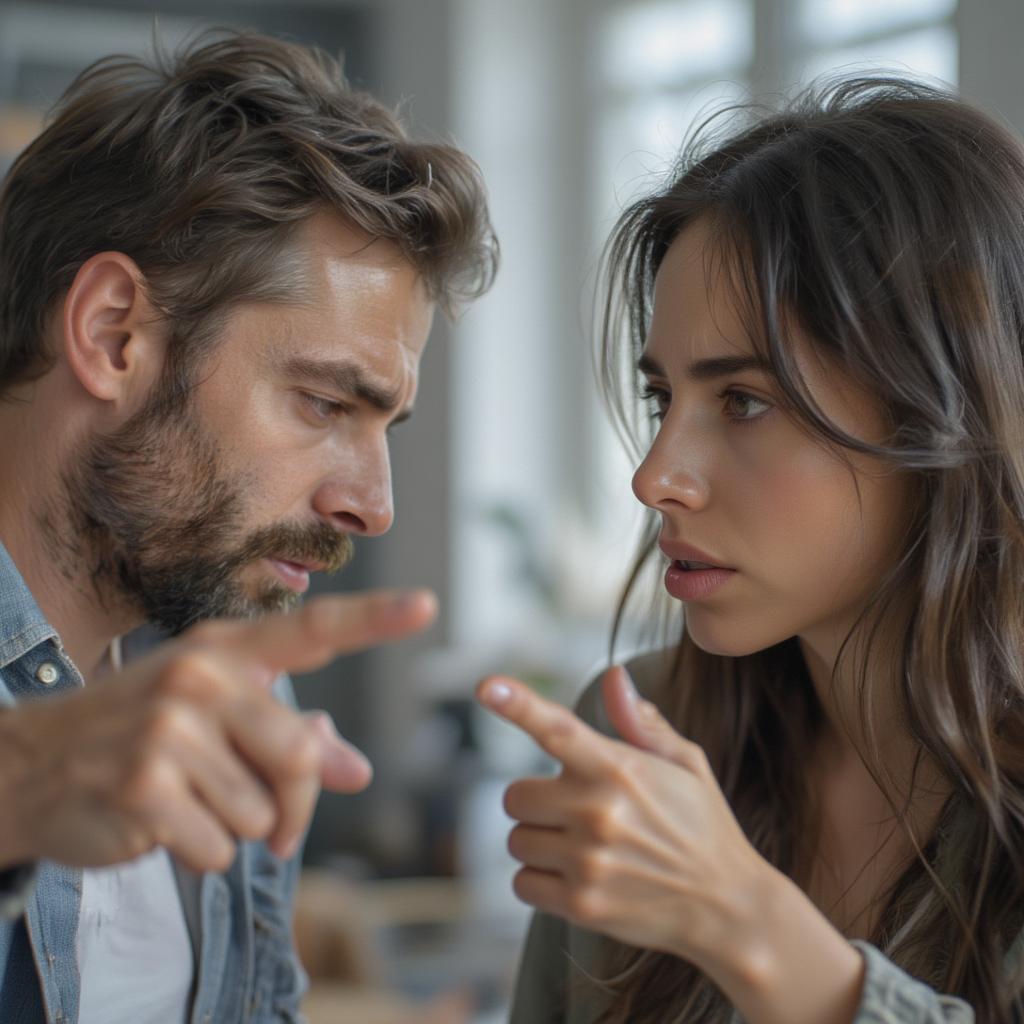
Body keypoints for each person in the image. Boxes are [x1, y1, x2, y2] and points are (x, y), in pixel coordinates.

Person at [477, 76, 1024, 1023]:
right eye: (663, 400)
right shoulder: (638, 737)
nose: (654, 477)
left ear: (946, 414)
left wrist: (746, 923)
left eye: (744, 402)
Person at [0, 30, 496, 1023]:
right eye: (323, 404)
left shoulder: (231, 665)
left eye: (385, 425)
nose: (373, 503)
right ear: (113, 335)